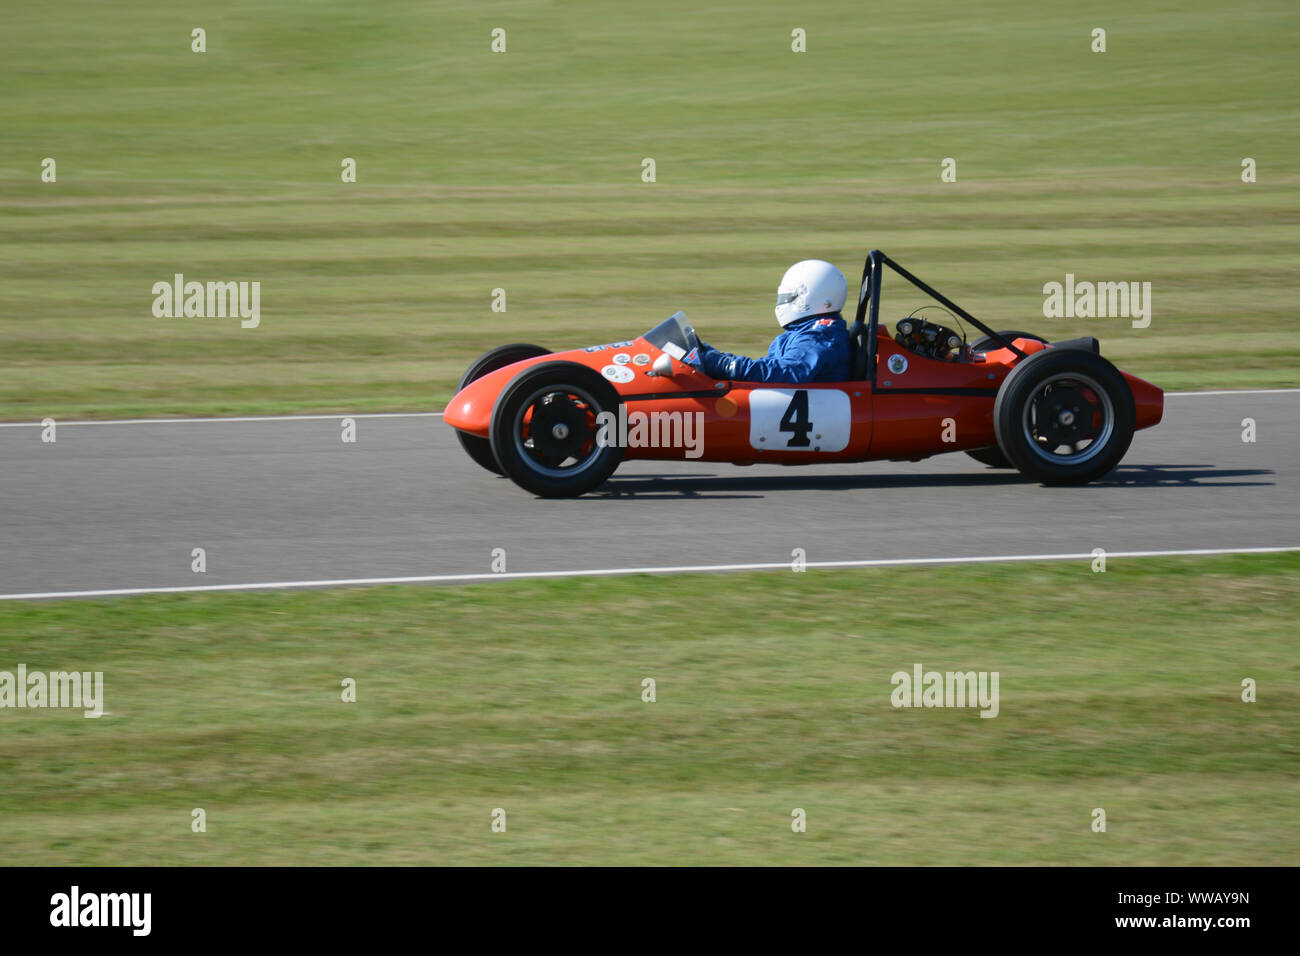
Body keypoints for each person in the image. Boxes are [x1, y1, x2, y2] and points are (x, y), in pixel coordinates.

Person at [685, 260, 852, 383]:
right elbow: (769, 368)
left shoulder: (820, 336)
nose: (784, 302)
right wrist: (710, 354)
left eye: (789, 297)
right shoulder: (802, 332)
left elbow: (785, 372)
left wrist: (727, 366)